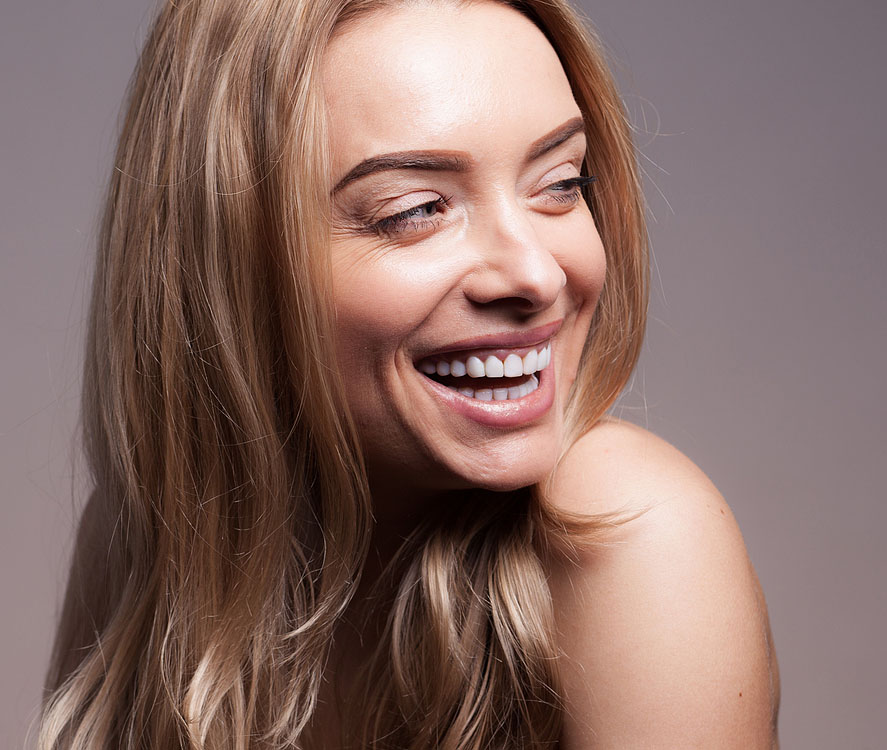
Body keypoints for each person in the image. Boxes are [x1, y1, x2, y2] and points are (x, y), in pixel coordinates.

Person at [38, 0, 780, 747]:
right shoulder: (142, 533)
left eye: (561, 183)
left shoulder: (620, 528)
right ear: (230, 269)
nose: (535, 272)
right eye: (416, 209)